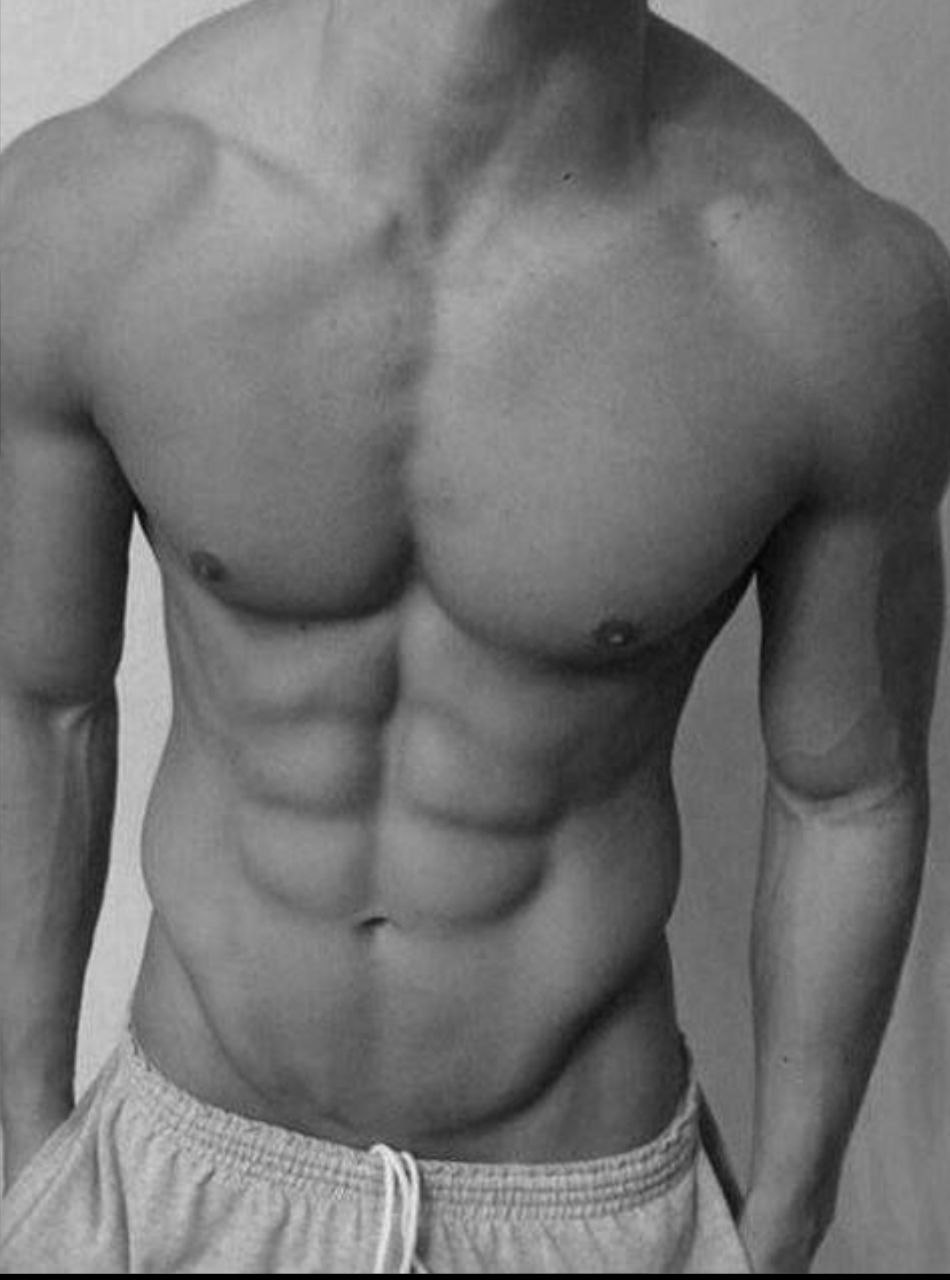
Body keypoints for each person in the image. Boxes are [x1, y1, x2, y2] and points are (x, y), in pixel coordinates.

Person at [1, 0, 948, 1272]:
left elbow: (848, 790)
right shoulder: (97, 206)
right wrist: (29, 1148)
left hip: (581, 1207)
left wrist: (783, 1217)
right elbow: (38, 698)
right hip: (173, 1182)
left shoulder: (830, 294)